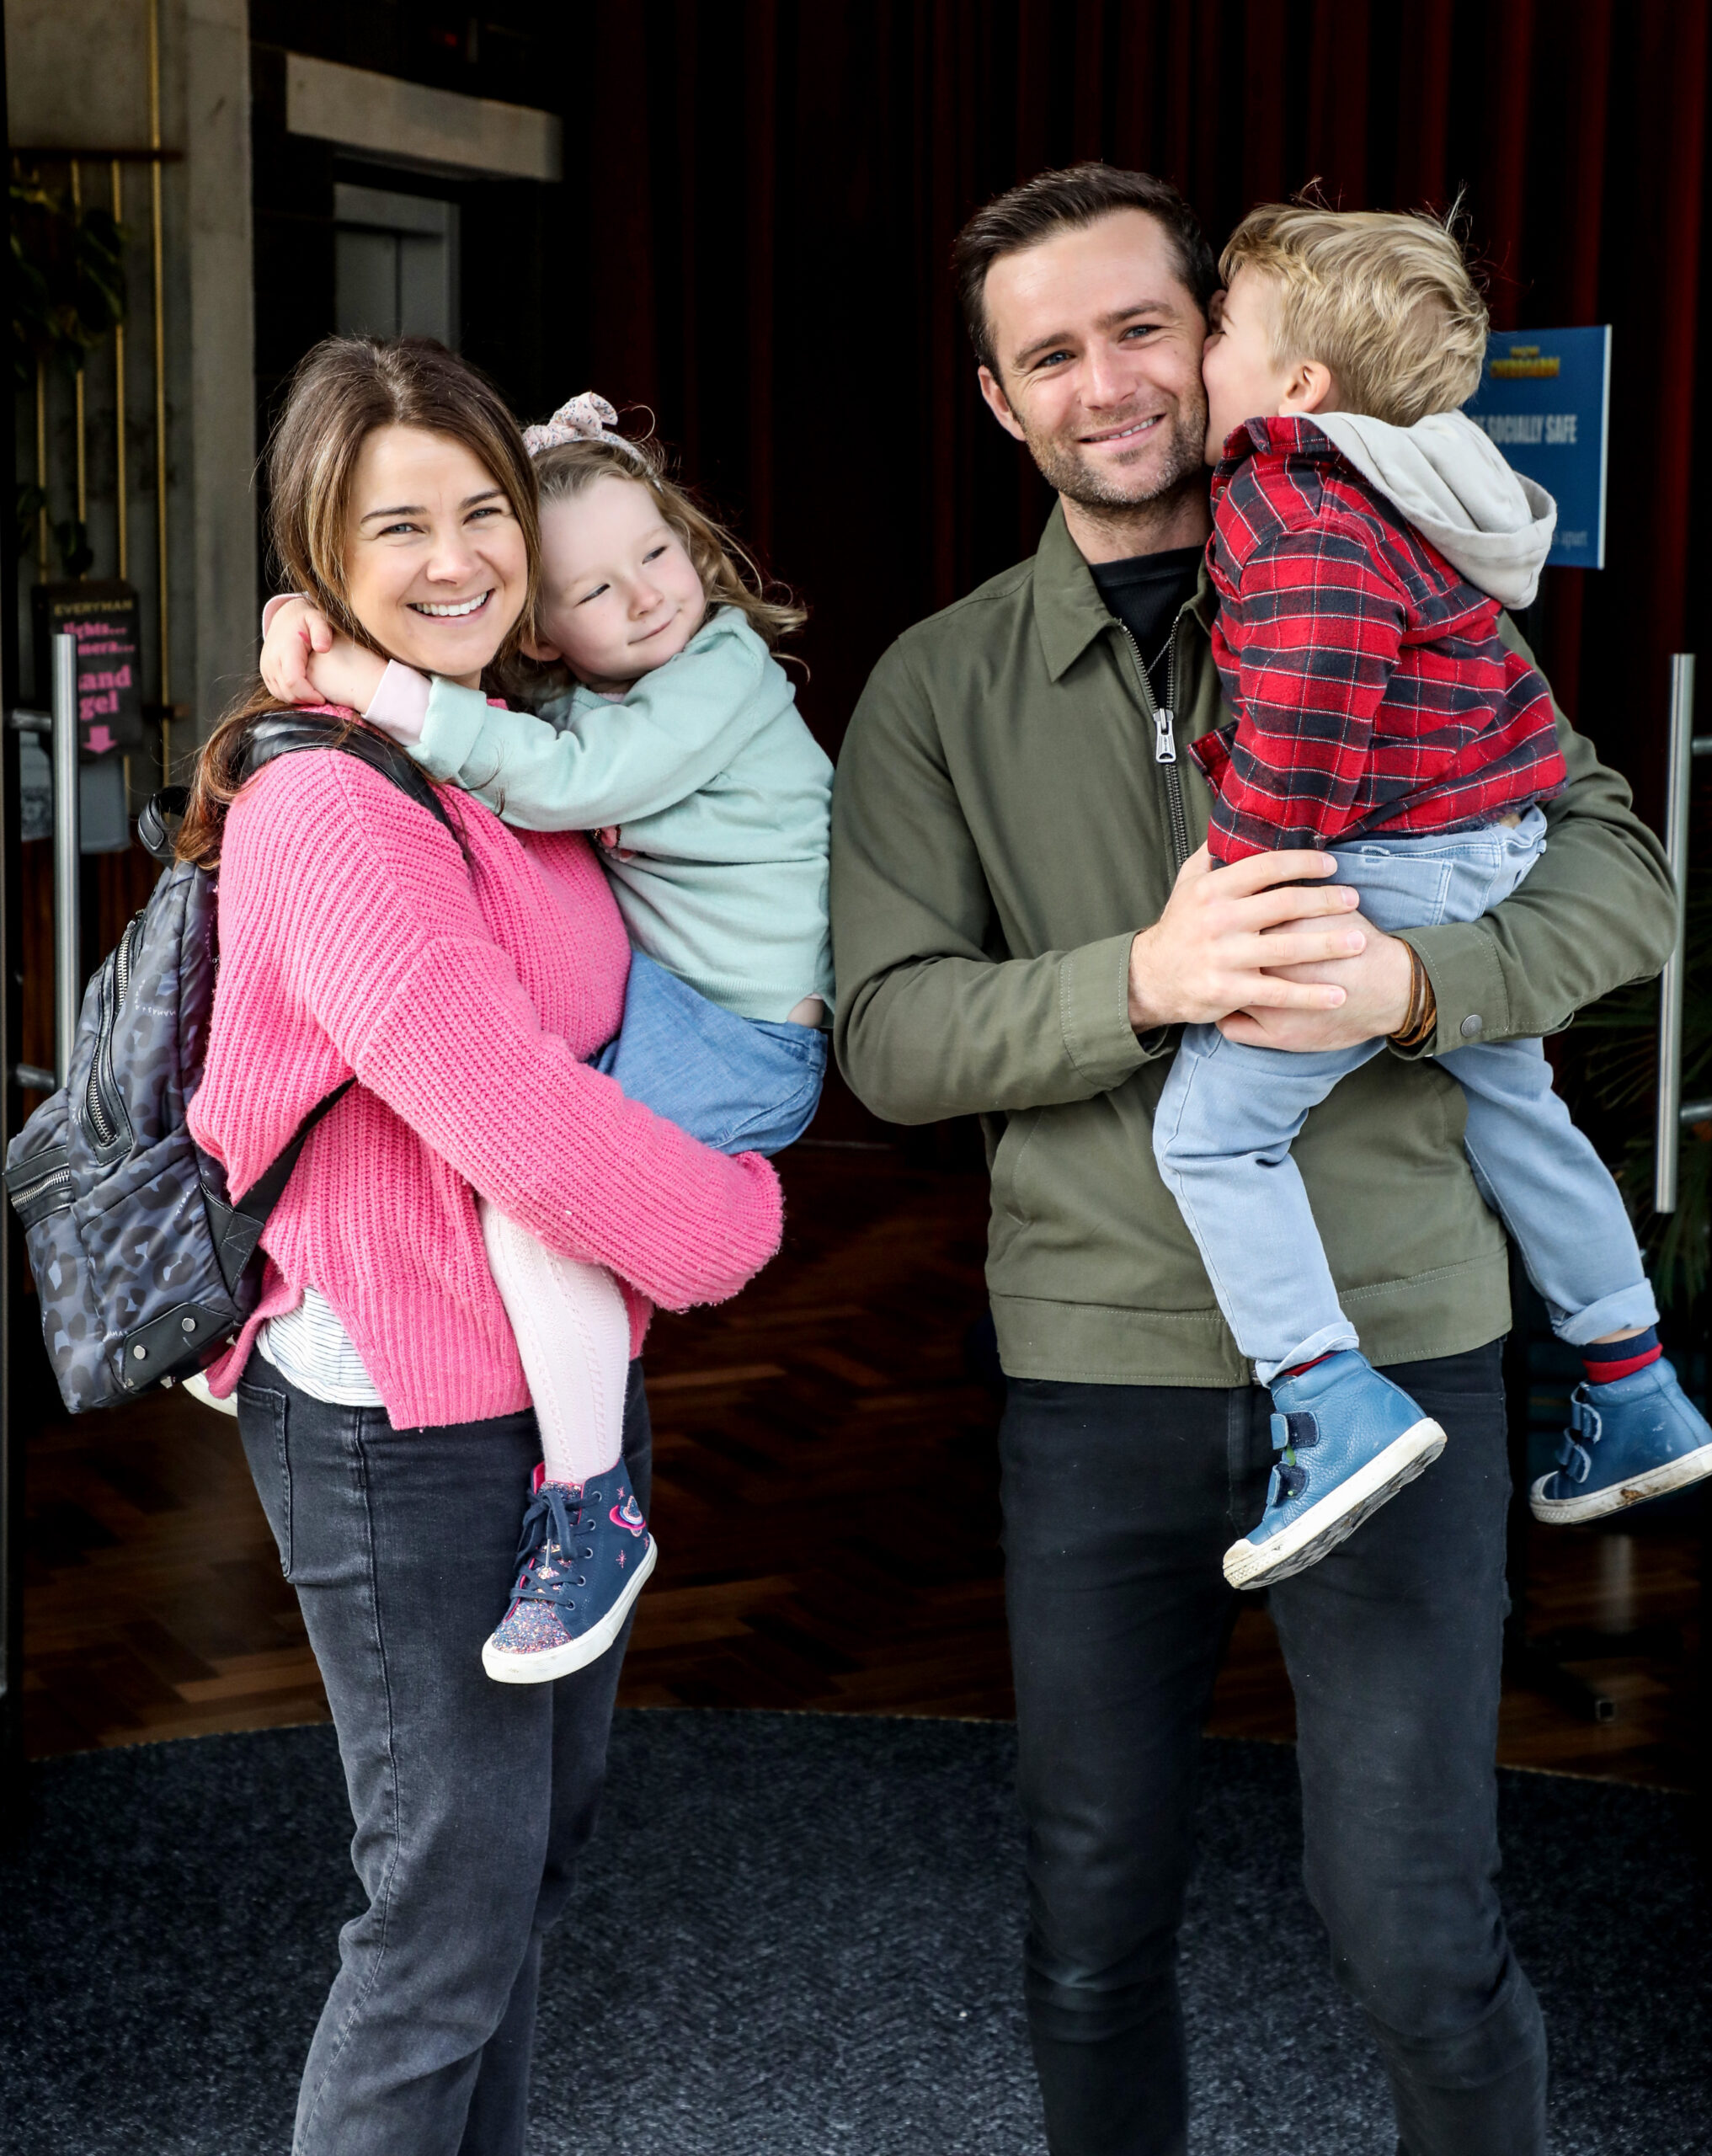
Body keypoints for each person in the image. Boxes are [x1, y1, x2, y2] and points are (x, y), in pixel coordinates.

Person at [829, 163, 1676, 2156]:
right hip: (1099, 1371)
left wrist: (1411, 979)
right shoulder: (936, 686)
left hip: (1416, 1341)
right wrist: (1139, 976)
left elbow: (1621, 870)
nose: (1108, 382)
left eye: (1142, 327)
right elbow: (886, 1032)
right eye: (1053, 354)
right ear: (996, 400)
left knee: (1420, 1936)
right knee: (1090, 1931)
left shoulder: (1398, 563)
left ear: (1220, 337)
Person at [182, 335, 782, 2154]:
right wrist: (742, 1219)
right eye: (397, 527)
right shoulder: (334, 811)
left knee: (516, 1873)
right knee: (443, 1916)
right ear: (321, 549)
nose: (457, 558)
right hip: (399, 1419)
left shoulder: (489, 758)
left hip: (550, 1401)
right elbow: (514, 1119)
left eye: (480, 513)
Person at [1152, 200, 1712, 1591]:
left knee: (1211, 1138)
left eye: (1218, 328)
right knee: (1514, 1104)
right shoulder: (1411, 486)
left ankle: (1326, 1398)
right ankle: (1632, 1377)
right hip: (1488, 840)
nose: (1200, 349)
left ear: (1295, 387)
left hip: (1386, 864)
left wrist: (1243, 869)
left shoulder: (1288, 501)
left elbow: (1311, 702)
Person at [258, 389, 833, 1682]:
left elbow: (569, 783)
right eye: (591, 588)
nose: (643, 597)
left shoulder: (721, 672)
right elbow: (480, 609)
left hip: (738, 1038)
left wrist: (368, 676)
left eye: (658, 554)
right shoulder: (585, 700)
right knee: (531, 1179)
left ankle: (592, 1507)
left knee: (536, 1200)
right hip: (680, 1019)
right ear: (541, 628)